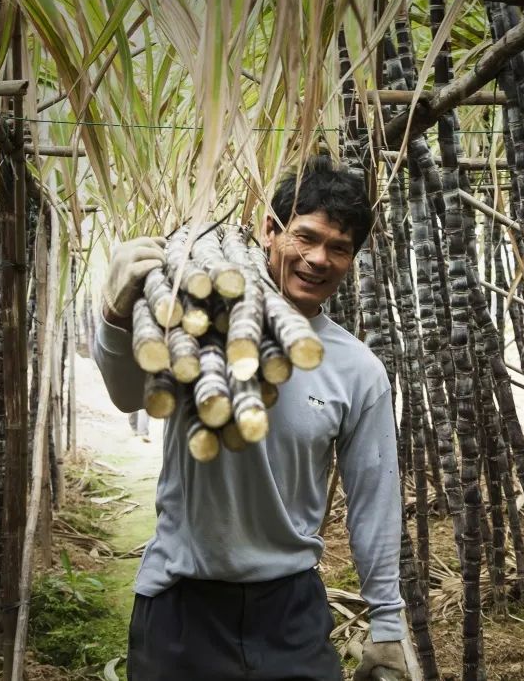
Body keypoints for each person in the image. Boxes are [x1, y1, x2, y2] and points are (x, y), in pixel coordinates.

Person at [93, 156, 410, 681]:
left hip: (290, 608)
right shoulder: (198, 321)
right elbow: (129, 396)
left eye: (339, 248)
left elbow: (375, 498)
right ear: (269, 229)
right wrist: (115, 312)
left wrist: (387, 623)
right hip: (181, 601)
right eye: (305, 237)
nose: (317, 259)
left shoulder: (358, 369)